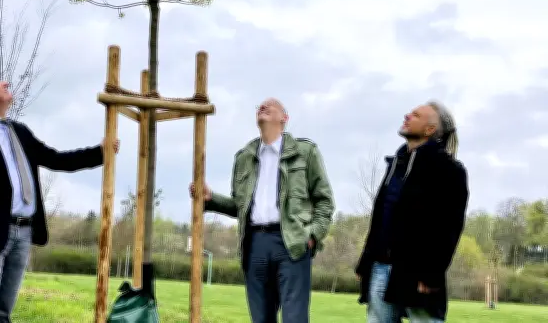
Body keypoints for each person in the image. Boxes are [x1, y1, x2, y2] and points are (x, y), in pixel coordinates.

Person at [0, 68, 119, 322]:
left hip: (24, 231)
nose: (5, 83)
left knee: (3, 310)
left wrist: (99, 152)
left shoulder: (20, 132)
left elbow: (55, 159)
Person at [190, 98, 335, 323]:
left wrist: (312, 235)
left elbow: (324, 202)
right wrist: (211, 199)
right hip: (255, 244)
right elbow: (240, 207)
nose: (263, 106)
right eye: (260, 106)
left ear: (284, 118)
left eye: (271, 105)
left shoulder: (306, 152)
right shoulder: (244, 157)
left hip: (292, 244)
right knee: (261, 319)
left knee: (295, 318)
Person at [355, 101, 469, 323]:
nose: (407, 116)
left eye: (416, 115)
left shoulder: (450, 170)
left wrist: (432, 274)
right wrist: (366, 261)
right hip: (381, 268)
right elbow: (381, 218)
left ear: (430, 129)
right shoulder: (396, 166)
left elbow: (450, 228)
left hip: (418, 273)